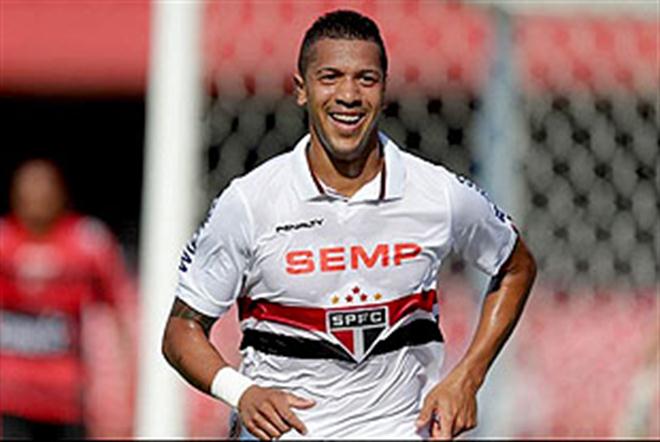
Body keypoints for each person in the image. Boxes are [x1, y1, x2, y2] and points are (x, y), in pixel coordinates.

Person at [163, 9, 536, 440]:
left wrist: (469, 375)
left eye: (366, 79)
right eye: (330, 77)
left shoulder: (437, 193)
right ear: (301, 90)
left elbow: (516, 266)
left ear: (384, 90)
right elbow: (180, 331)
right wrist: (241, 392)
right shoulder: (250, 202)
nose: (348, 94)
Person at [0, 159, 135, 439]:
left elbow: (119, 305)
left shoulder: (87, 242)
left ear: (60, 194)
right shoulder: (3, 241)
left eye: (45, 189)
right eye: (28, 189)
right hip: (8, 397)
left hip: (66, 400)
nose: (37, 197)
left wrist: (129, 374)